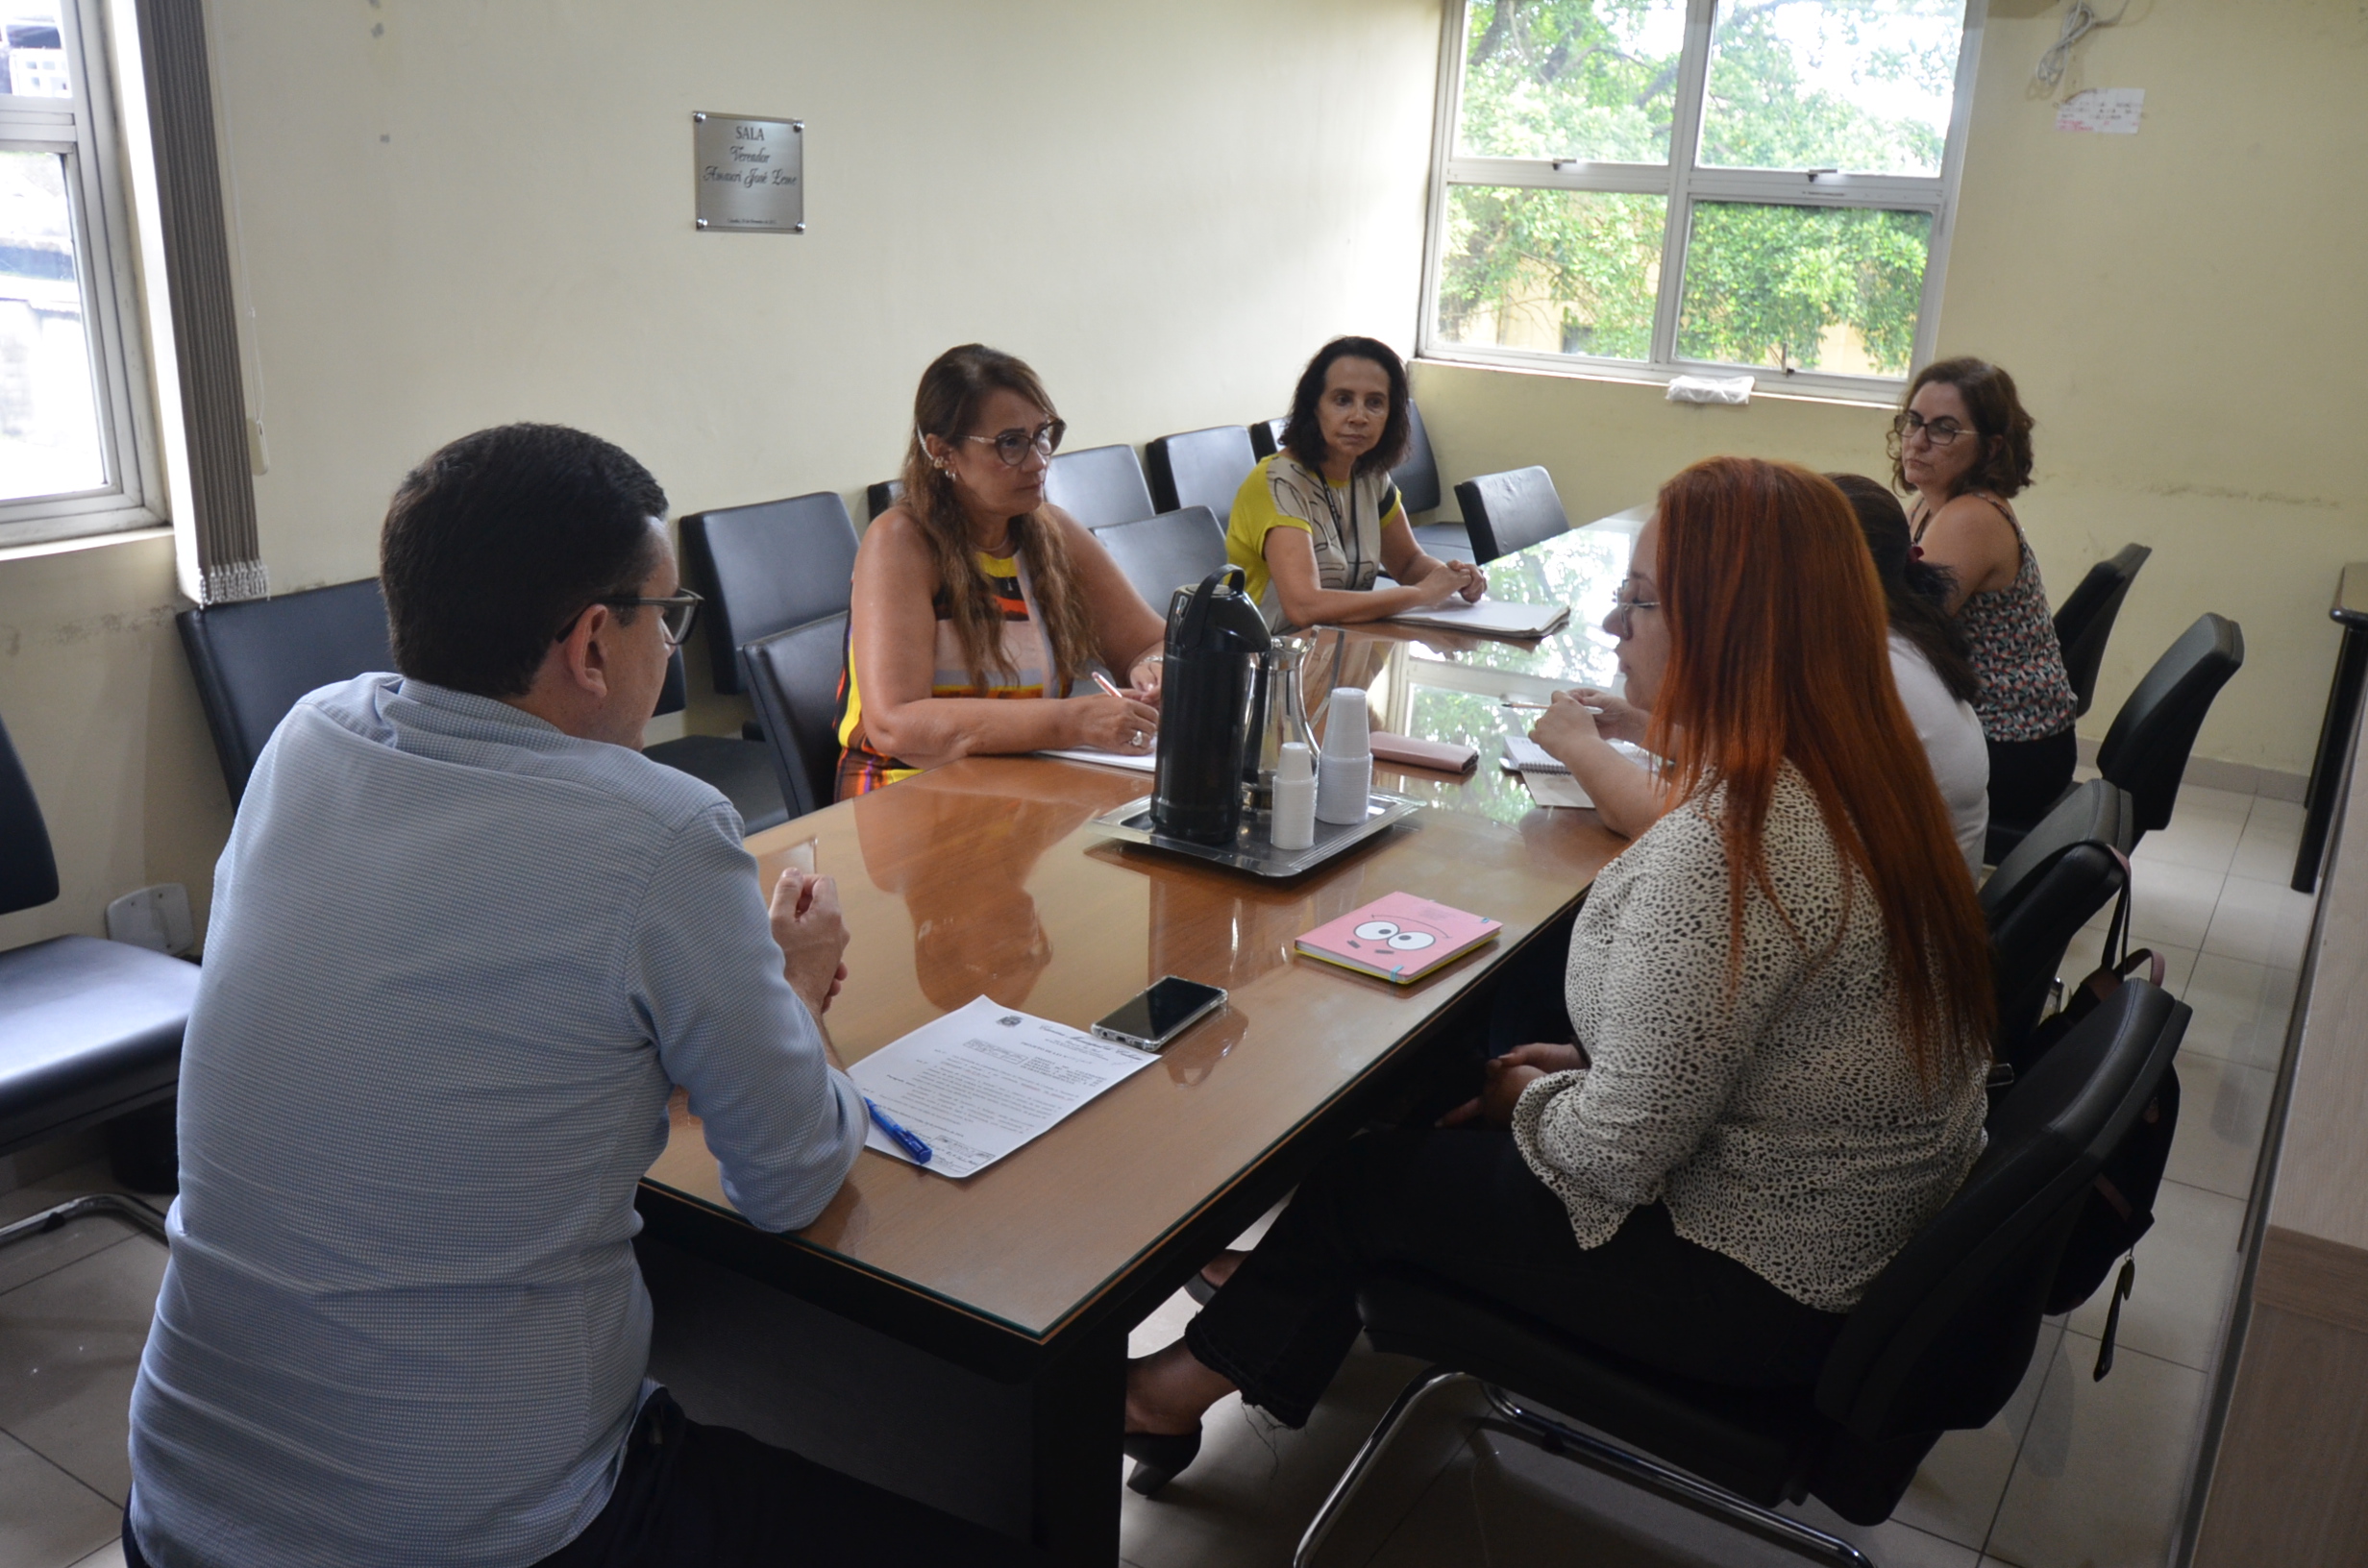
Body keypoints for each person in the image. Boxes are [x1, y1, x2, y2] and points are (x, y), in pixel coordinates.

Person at [124, 425, 1041, 1568]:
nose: (672, 643)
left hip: (178, 1509)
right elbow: (794, 1179)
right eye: (668, 616)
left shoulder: (305, 739)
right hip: (480, 1540)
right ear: (593, 646)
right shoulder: (655, 833)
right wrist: (792, 996)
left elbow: (469, 1023)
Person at [1121, 456, 1993, 1491]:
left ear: (1733, 628)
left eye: (1639, 602)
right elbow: (1767, 1027)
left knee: (1369, 1174)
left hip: (1760, 1290)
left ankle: (1165, 1394)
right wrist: (1589, 1063)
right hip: (1839, 1234)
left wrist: (1535, 1097)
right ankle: (1275, 1321)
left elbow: (1616, 1158)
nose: (1616, 628)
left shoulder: (1735, 844)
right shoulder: (1854, 770)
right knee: (1439, 1095)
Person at [837, 345, 1168, 797]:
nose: (1038, 461)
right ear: (942, 452)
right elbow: (897, 725)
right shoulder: (900, 542)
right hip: (906, 790)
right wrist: (1072, 721)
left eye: (1043, 435)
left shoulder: (1053, 531)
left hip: (1024, 777)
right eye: (1011, 443)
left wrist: (1155, 668)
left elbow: (1151, 641)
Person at [1891, 356, 2076, 839]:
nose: (1917, 440)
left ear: (1992, 448)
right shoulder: (1928, 507)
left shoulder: (1971, 517)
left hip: (2014, 750)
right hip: (2001, 734)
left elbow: (1898, 635)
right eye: (1913, 421)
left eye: (1944, 429)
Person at [1224, 336, 1485, 631]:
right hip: (1267, 659)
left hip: (1339, 646)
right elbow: (1304, 606)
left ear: (1391, 415)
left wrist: (1454, 577)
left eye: (1375, 403)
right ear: (1314, 407)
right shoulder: (1276, 482)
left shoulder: (1369, 475)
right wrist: (1420, 594)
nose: (1358, 417)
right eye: (1342, 400)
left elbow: (1409, 563)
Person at [1828, 473, 1989, 879]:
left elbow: (1732, 814)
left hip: (1902, 928)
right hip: (1918, 902)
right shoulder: (1903, 634)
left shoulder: (1867, 673)